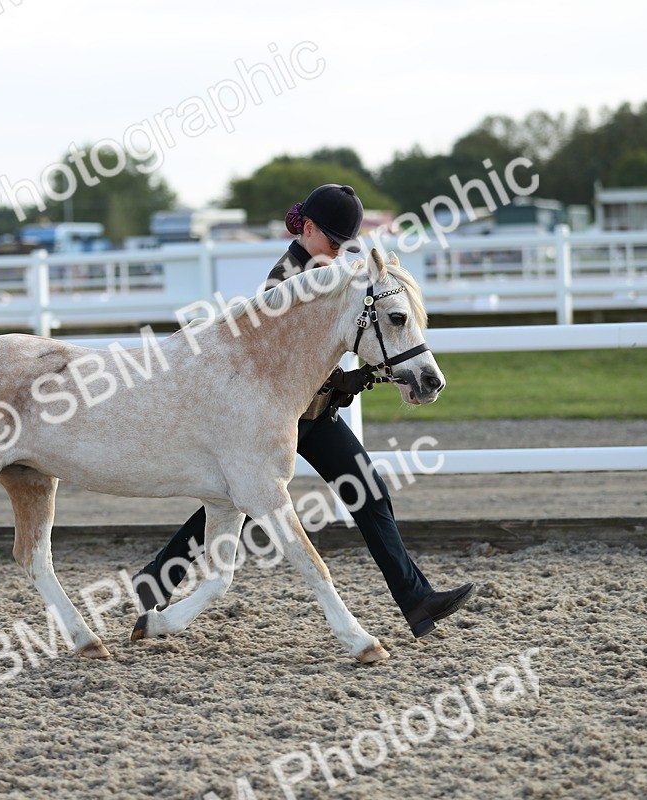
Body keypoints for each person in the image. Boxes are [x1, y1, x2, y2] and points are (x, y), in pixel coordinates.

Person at [132, 184, 475, 638]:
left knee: (366, 493)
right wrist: (344, 381)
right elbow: (282, 360)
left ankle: (416, 600)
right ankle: (156, 579)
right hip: (282, 418)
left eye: (345, 244)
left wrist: (367, 374)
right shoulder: (285, 280)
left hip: (316, 416)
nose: (338, 250)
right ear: (307, 229)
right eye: (333, 241)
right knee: (236, 500)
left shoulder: (336, 276)